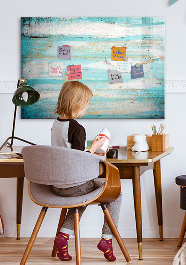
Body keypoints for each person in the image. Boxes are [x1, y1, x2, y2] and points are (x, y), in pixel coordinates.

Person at [51, 81, 122, 262]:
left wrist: (92, 149)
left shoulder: (56, 124)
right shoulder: (77, 128)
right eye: (86, 104)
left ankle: (64, 237)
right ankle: (107, 239)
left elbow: (68, 154)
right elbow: (79, 160)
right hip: (74, 185)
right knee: (116, 193)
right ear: (77, 104)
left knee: (81, 196)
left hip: (57, 185)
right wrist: (95, 148)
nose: (86, 108)